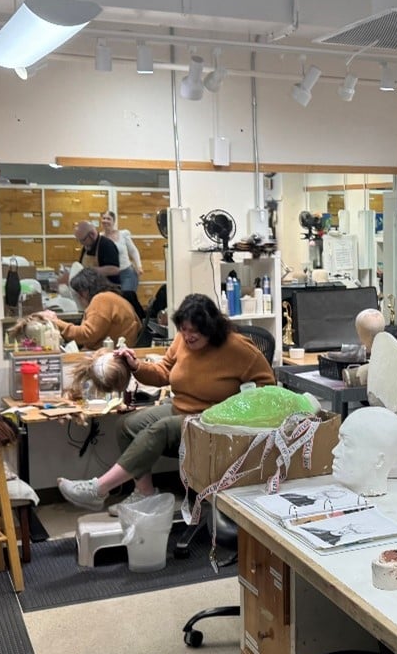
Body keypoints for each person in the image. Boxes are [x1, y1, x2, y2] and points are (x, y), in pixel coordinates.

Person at [57, 293, 276, 509]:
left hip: (214, 420)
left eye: (194, 331)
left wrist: (233, 412)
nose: (187, 336)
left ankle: (99, 489)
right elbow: (163, 372)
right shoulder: (182, 340)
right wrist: (136, 366)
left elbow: (268, 387)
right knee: (126, 425)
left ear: (211, 327)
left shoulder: (238, 348)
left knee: (161, 429)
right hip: (181, 408)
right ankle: (145, 494)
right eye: (183, 329)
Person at [33, 268, 140, 351]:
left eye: (79, 295)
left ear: (85, 291)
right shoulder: (111, 297)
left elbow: (86, 335)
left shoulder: (102, 299)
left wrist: (55, 321)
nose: (79, 299)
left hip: (108, 355)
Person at [100, 210, 145, 319]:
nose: (105, 221)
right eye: (104, 218)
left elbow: (133, 251)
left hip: (127, 274)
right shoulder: (100, 238)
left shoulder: (123, 234)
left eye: (108, 219)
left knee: (127, 300)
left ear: (114, 221)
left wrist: (139, 266)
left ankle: (138, 322)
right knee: (113, 303)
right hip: (110, 276)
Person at [74, 219, 121, 285]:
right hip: (92, 287)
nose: (81, 243)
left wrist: (91, 271)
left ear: (92, 235)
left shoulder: (107, 245)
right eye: (78, 241)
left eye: (82, 240)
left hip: (108, 287)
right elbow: (81, 266)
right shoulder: (87, 246)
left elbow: (115, 269)